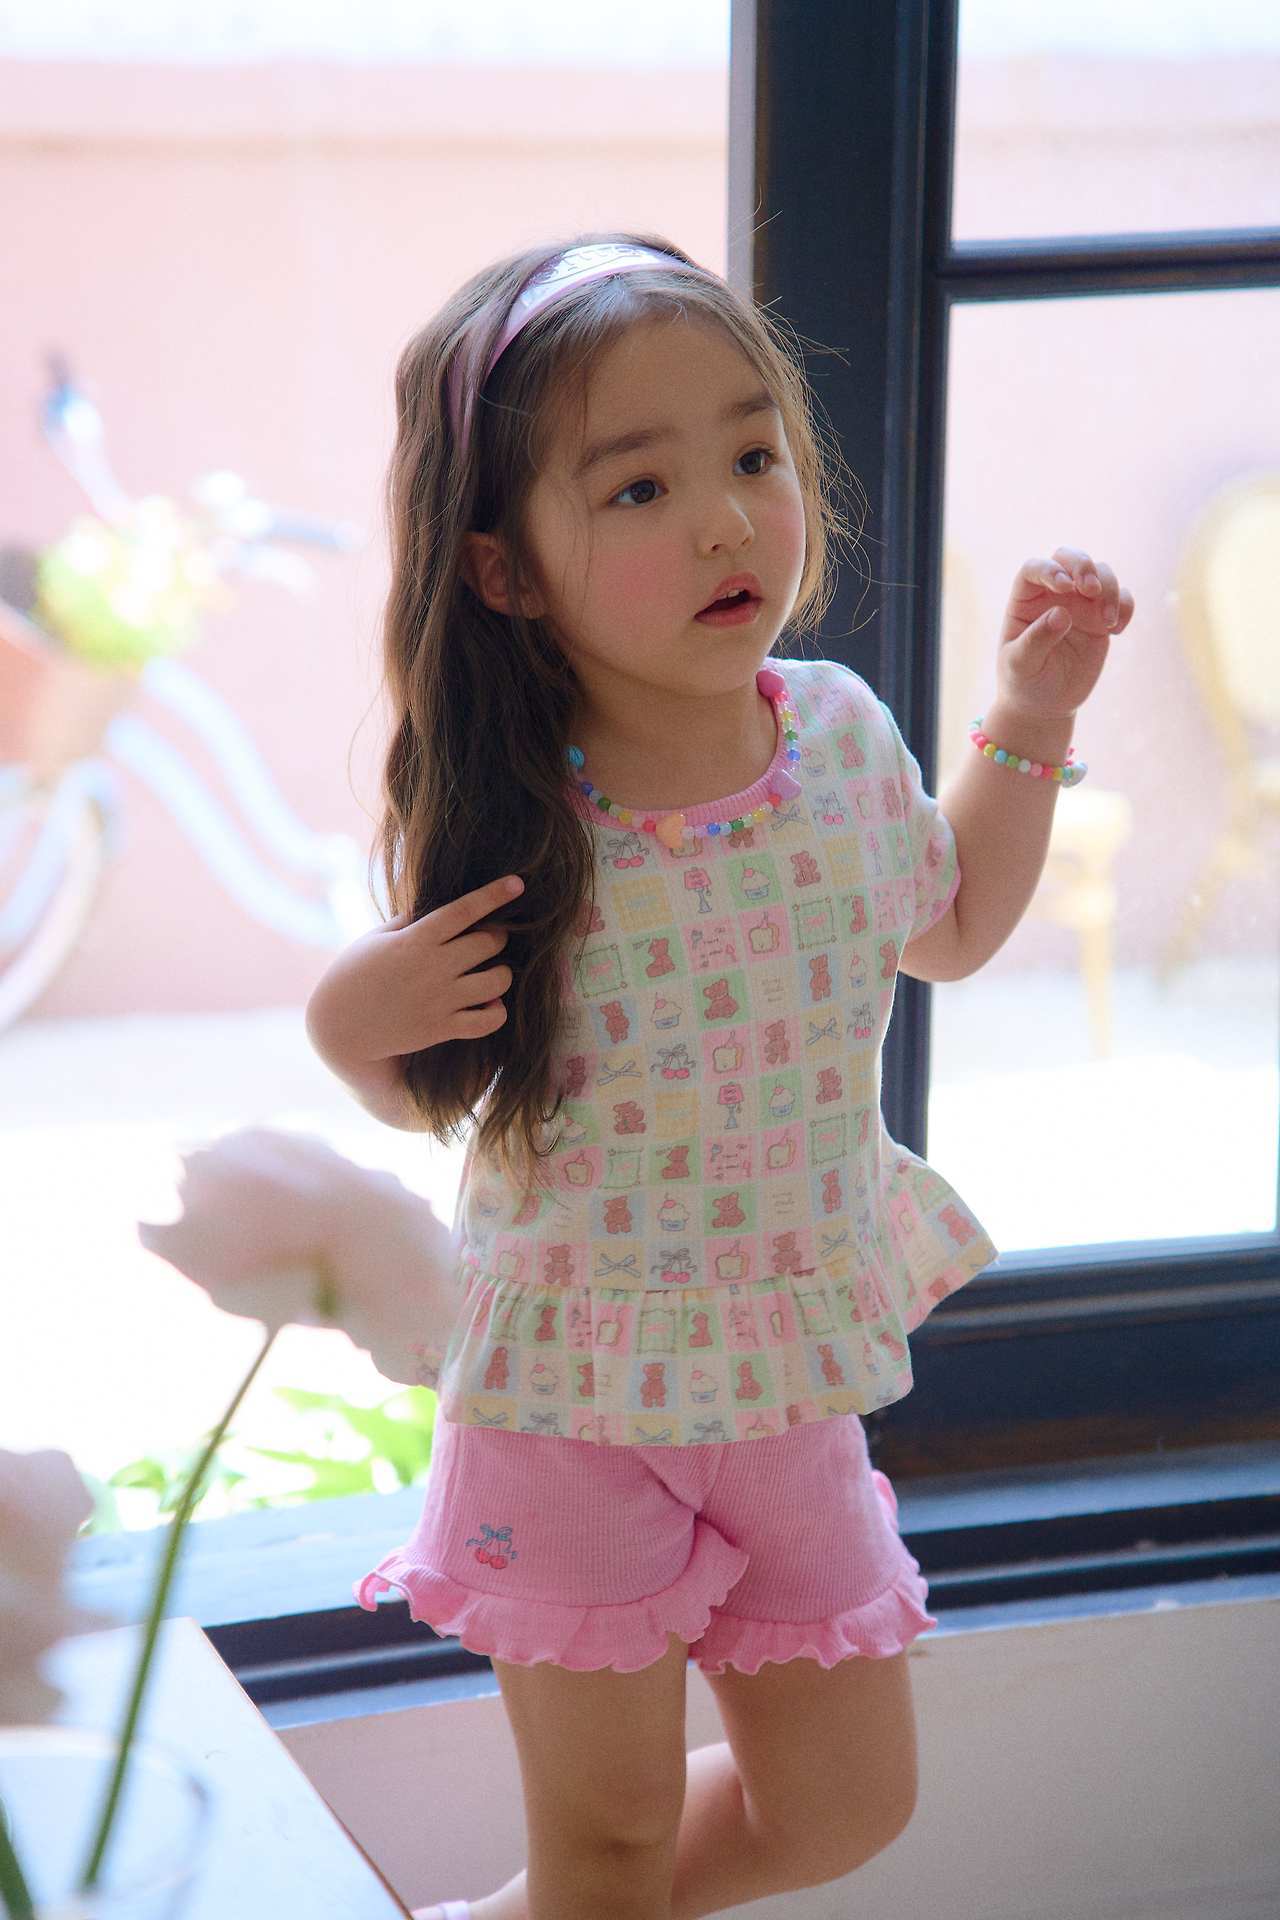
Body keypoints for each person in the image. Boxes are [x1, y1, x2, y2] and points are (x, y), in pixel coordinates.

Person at [305, 231, 1135, 1920]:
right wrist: (348, 1017)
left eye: (753, 458)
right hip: (569, 1398)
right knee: (605, 1847)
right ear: (503, 572)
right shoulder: (520, 812)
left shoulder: (840, 738)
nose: (723, 521)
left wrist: (1030, 716)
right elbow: (425, 1092)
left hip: (783, 1368)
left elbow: (950, 924)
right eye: (638, 489)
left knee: (842, 1806)